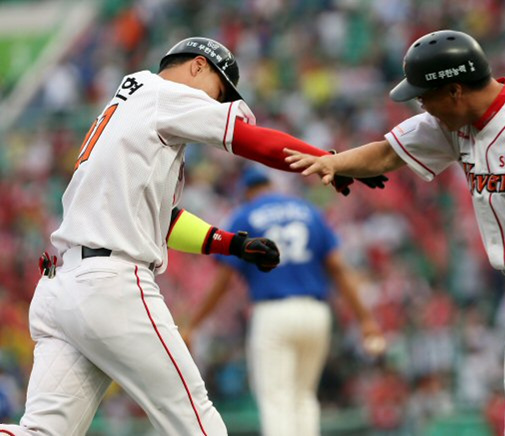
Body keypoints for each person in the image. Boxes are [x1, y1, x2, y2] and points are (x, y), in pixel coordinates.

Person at [0, 37, 386, 436]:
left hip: (61, 288)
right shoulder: (163, 92)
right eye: (218, 94)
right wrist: (332, 159)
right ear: (198, 66)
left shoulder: (132, 105)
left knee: (41, 433)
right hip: (109, 286)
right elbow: (249, 140)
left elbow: (160, 219)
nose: (216, 105)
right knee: (199, 424)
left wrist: (231, 243)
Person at [285, 29, 505, 436]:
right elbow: (388, 152)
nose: (421, 105)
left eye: (425, 95)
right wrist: (333, 163)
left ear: (455, 90)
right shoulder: (457, 123)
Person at [184, 166, 386, 436]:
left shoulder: (245, 214)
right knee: (304, 397)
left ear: (246, 193)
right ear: (272, 187)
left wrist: (194, 324)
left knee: (277, 400)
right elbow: (337, 267)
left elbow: (223, 281)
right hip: (316, 312)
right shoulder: (308, 211)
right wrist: (366, 319)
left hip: (273, 314)